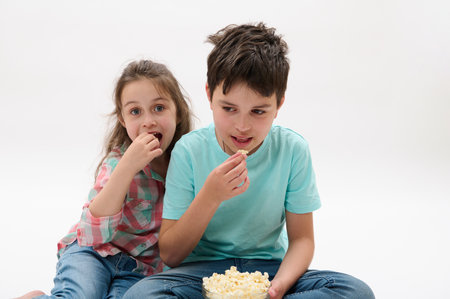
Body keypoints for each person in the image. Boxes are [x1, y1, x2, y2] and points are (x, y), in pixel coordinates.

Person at [123, 23, 375, 299]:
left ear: (279, 104)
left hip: (269, 271)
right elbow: (171, 253)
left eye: (258, 111)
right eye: (229, 109)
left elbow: (302, 239)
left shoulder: (292, 150)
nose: (242, 126)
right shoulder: (189, 151)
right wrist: (210, 196)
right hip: (199, 275)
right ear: (209, 95)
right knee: (141, 295)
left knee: (355, 291)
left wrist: (278, 288)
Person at [16, 59, 192, 299]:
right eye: (135, 111)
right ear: (123, 120)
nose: (148, 121)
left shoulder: (187, 165)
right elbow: (91, 235)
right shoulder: (118, 161)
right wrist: (127, 167)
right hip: (92, 254)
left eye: (159, 108)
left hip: (138, 269)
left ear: (178, 112)